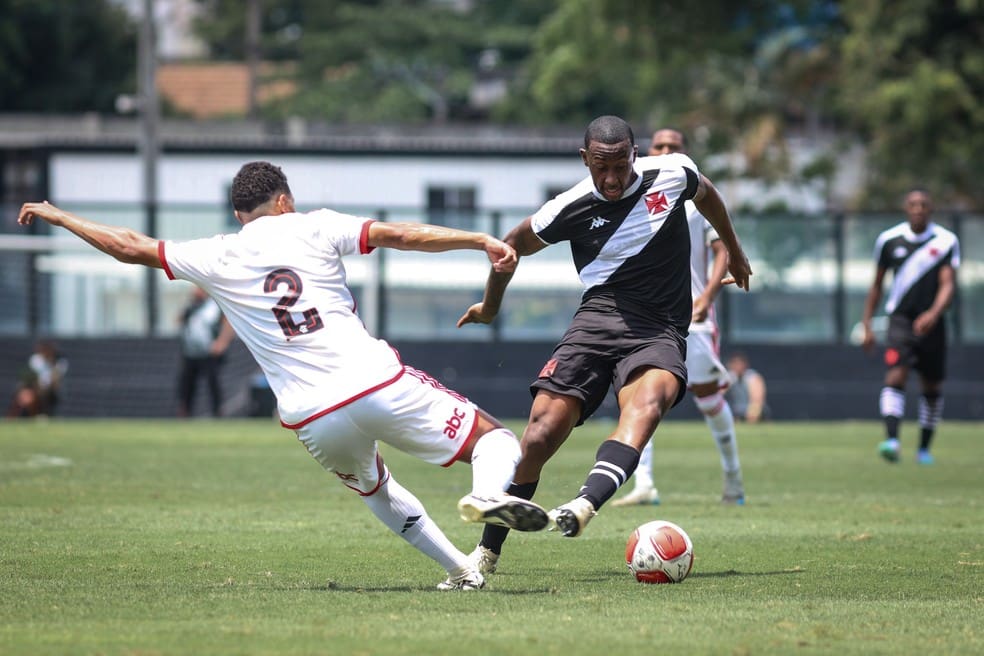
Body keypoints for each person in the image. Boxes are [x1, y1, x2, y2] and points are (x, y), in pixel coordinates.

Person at [17, 161, 550, 591]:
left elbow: (130, 245)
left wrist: (62, 217)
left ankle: (461, 570)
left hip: (312, 418)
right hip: (372, 382)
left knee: (377, 491)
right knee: (494, 440)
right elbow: (401, 235)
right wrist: (477, 239)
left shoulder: (216, 253)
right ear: (283, 200)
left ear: (238, 212)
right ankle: (484, 494)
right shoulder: (313, 223)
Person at [457, 116, 751, 575]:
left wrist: (733, 248)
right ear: (584, 160)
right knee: (539, 435)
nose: (611, 179)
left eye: (619, 166)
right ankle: (486, 553)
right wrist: (490, 307)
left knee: (647, 405)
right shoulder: (568, 206)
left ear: (636, 154)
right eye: (600, 168)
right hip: (596, 323)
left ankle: (584, 504)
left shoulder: (672, 173)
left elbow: (707, 192)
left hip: (659, 330)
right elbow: (509, 246)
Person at [613, 128, 745, 507]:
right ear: (646, 152)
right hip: (647, 316)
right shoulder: (631, 197)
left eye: (675, 146)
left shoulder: (694, 197)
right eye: (661, 146)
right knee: (641, 393)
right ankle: (645, 484)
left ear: (685, 153)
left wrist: (707, 295)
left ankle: (733, 477)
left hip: (693, 315)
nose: (667, 151)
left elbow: (722, 251)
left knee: (707, 396)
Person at [860, 188, 959, 465]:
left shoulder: (946, 240)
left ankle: (924, 449)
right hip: (900, 321)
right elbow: (876, 285)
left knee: (931, 385)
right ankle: (891, 440)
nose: (918, 208)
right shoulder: (889, 240)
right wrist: (867, 324)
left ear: (931, 208)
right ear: (906, 208)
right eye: (913, 204)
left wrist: (934, 313)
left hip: (932, 324)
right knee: (895, 375)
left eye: (924, 204)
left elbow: (948, 283)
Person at [176, 286, 236, 417]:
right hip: (191, 352)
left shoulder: (215, 306)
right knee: (187, 384)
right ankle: (185, 411)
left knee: (213, 382)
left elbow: (229, 323)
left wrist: (221, 342)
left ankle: (218, 411)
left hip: (209, 352)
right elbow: (178, 321)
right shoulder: (191, 307)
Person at [6, 340, 69, 418]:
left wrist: (52, 363)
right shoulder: (36, 359)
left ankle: (42, 414)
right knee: (24, 395)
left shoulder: (59, 361)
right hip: (35, 387)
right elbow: (31, 377)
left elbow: (56, 379)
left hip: (50, 389)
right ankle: (14, 417)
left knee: (44, 393)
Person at [724, 352, 769, 423]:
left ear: (745, 365)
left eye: (739, 363)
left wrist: (752, 413)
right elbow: (718, 395)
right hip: (736, 412)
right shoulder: (729, 377)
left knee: (755, 410)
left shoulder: (752, 377)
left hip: (753, 412)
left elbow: (757, 399)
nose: (737, 366)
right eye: (734, 363)